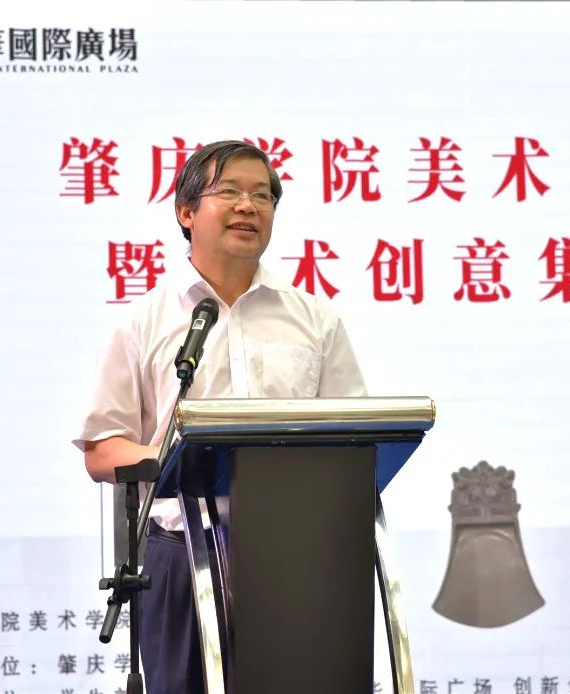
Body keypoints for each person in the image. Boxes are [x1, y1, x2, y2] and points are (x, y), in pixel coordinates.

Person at [73, 140, 367, 691]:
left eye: (262, 195)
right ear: (186, 212)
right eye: (229, 191)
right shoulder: (142, 322)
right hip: (181, 556)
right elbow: (102, 448)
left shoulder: (315, 319)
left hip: (297, 553)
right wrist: (179, 461)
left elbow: (352, 437)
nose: (248, 206)